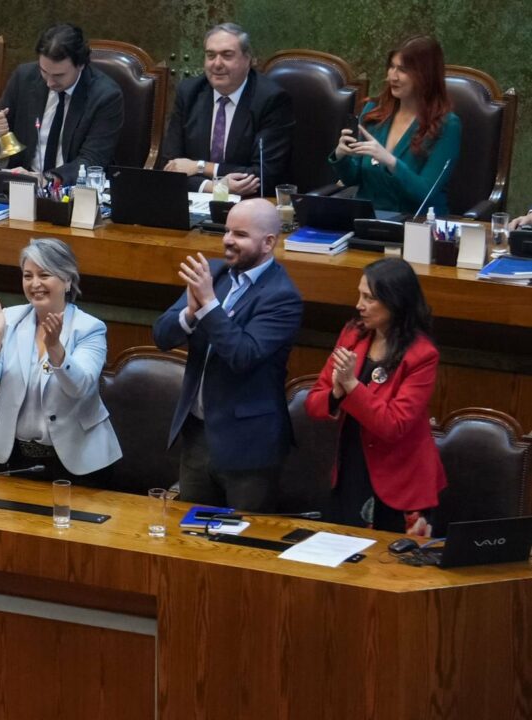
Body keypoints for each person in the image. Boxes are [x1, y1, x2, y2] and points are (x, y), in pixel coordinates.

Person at [153, 199, 302, 511]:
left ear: (268, 242)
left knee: (241, 543)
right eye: (227, 231)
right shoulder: (214, 273)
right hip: (197, 434)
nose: (228, 240)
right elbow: (163, 336)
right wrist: (190, 315)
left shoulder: (282, 297)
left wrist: (208, 304)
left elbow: (242, 355)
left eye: (240, 234)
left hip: (248, 445)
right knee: (189, 539)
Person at [305, 257, 446, 535]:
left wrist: (351, 386)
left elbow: (393, 425)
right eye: (360, 295)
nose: (359, 305)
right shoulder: (352, 334)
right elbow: (313, 403)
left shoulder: (421, 355)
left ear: (395, 302)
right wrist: (335, 392)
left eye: (369, 298)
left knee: (393, 570)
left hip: (401, 481)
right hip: (351, 469)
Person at [0, 238, 121, 484]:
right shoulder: (8, 319)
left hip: (79, 461)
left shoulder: (89, 328)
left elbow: (79, 387)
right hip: (17, 458)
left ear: (68, 280)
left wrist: (55, 349)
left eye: (44, 274)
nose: (35, 284)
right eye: (28, 276)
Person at [158, 23, 293, 197]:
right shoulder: (189, 92)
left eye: (227, 55)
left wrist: (201, 166)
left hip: (247, 205)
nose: (217, 64)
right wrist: (217, 188)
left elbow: (264, 175)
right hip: (194, 199)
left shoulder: (271, 99)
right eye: (210, 55)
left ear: (247, 59)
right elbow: (170, 166)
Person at [330, 35, 460, 216]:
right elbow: (354, 178)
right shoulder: (374, 112)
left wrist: (390, 161)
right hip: (365, 222)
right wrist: (342, 156)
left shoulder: (447, 126)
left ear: (426, 75)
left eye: (403, 70)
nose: (393, 76)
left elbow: (425, 193)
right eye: (391, 67)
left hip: (417, 227)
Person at [0, 23, 123, 185]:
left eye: (59, 75)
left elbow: (92, 160)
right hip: (21, 183)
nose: (49, 82)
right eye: (44, 71)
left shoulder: (106, 96)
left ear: (81, 65)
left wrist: (47, 179)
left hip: (70, 189)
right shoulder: (24, 77)